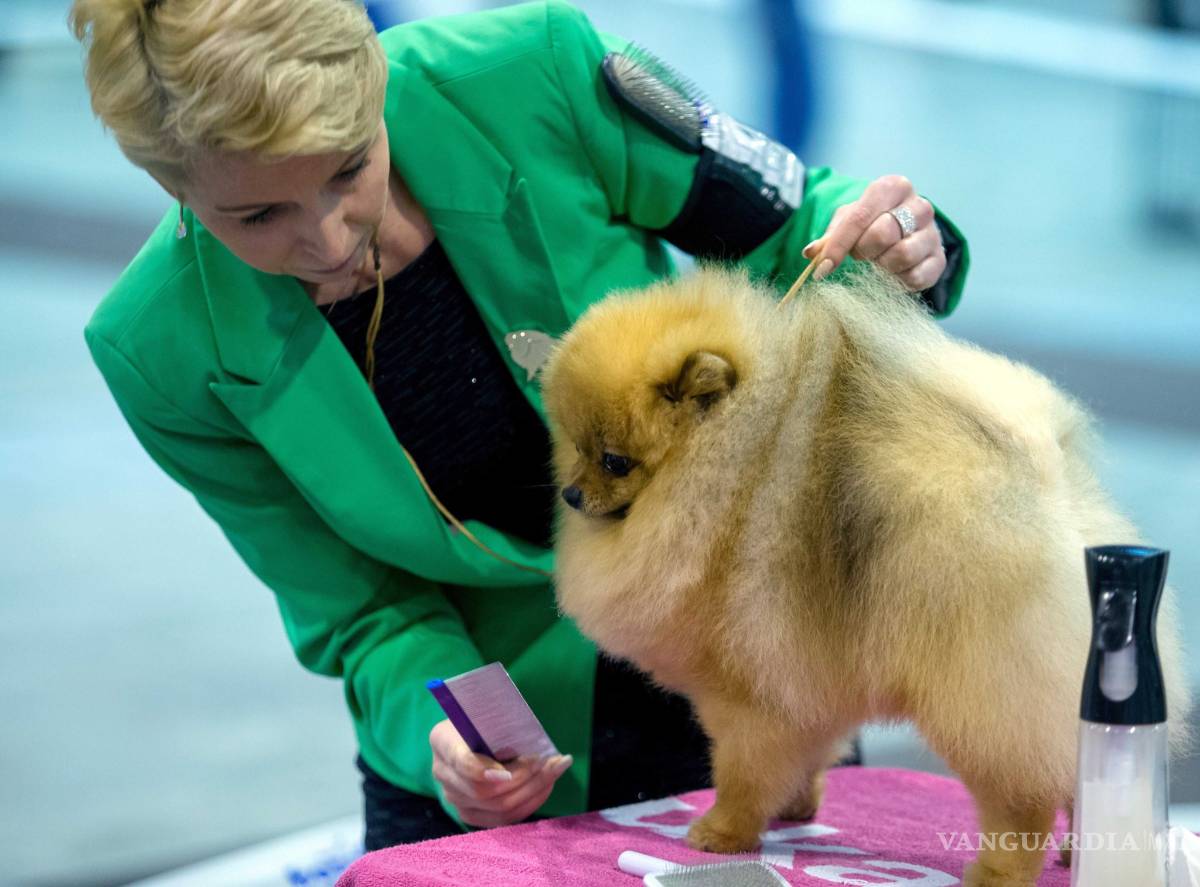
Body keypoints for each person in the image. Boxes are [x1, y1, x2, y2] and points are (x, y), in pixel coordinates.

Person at [70, 0, 969, 851]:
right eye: (257, 216)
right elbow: (364, 614)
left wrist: (893, 251)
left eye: (350, 166)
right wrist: (453, 733)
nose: (332, 239)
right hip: (495, 760)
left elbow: (797, 224)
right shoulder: (158, 350)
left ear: (374, 80)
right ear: (168, 182)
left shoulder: (535, 69)